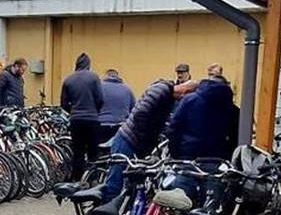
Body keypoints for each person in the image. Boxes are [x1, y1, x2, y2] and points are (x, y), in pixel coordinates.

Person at [102, 78, 196, 198]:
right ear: (185, 92)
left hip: (137, 142)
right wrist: (146, 141)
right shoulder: (160, 90)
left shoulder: (169, 99)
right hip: (127, 139)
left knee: (134, 184)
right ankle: (103, 214)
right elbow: (141, 115)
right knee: (115, 183)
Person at [167, 74, 238, 160]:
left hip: (187, 154)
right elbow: (235, 135)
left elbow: (174, 127)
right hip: (217, 157)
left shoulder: (189, 100)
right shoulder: (230, 107)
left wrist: (175, 153)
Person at [61, 53, 103, 181]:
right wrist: (95, 111)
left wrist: (73, 111)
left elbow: (63, 103)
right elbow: (100, 99)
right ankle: (92, 178)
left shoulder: (68, 80)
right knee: (93, 152)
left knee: (78, 152)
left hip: (76, 120)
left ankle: (77, 179)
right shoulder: (94, 78)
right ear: (88, 65)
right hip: (92, 119)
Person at [98, 69, 135, 144]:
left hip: (101, 125)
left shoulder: (98, 88)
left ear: (106, 76)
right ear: (117, 76)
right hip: (120, 127)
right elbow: (133, 110)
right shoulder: (127, 89)